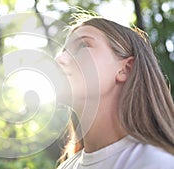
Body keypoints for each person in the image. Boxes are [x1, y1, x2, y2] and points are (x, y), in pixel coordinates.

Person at [55, 10, 174, 169]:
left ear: (125, 69)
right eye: (63, 52)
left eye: (83, 45)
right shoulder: (66, 166)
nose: (58, 59)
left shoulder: (156, 163)